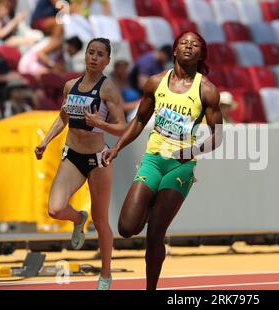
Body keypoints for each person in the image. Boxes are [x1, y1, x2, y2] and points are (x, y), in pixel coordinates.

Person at [102, 31, 223, 290]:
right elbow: (139, 121)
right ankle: (152, 205)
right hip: (153, 161)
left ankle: (151, 288)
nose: (189, 47)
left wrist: (192, 152)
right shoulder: (155, 83)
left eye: (195, 45)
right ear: (174, 50)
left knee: (155, 234)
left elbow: (218, 137)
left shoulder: (208, 91)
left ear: (201, 53)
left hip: (180, 166)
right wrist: (117, 148)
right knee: (126, 227)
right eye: (184, 43)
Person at [34, 38, 127, 290]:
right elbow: (62, 118)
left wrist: (101, 124)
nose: (94, 58)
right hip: (72, 156)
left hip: (98, 160)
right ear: (84, 56)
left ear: (107, 61)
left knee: (100, 222)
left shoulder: (108, 90)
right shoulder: (70, 86)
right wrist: (45, 142)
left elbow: (123, 128)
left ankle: (105, 275)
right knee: (54, 209)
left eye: (100, 55)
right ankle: (77, 219)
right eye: (91, 53)